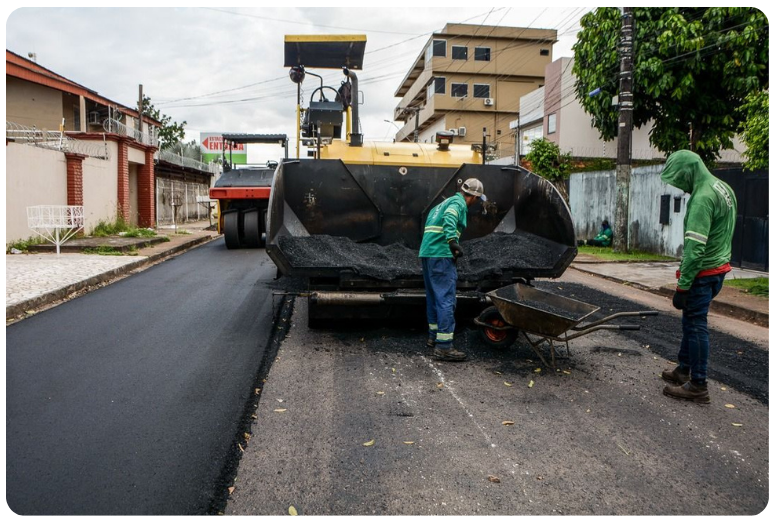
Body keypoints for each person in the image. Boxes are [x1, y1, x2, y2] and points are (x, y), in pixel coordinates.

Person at [660, 150, 737, 404]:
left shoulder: (703, 197)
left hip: (702, 273)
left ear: (688, 171)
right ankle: (683, 369)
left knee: (696, 325)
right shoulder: (723, 188)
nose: (680, 186)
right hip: (718, 270)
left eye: (679, 179)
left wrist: (682, 287)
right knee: (690, 321)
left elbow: (695, 249)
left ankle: (698, 384)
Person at [419, 178, 486, 362]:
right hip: (441, 256)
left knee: (434, 297)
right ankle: (444, 347)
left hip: (428, 254)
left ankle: (434, 337)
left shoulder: (442, 203)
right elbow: (450, 218)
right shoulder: (457, 203)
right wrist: (452, 243)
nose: (476, 203)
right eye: (478, 200)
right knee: (446, 299)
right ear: (473, 197)